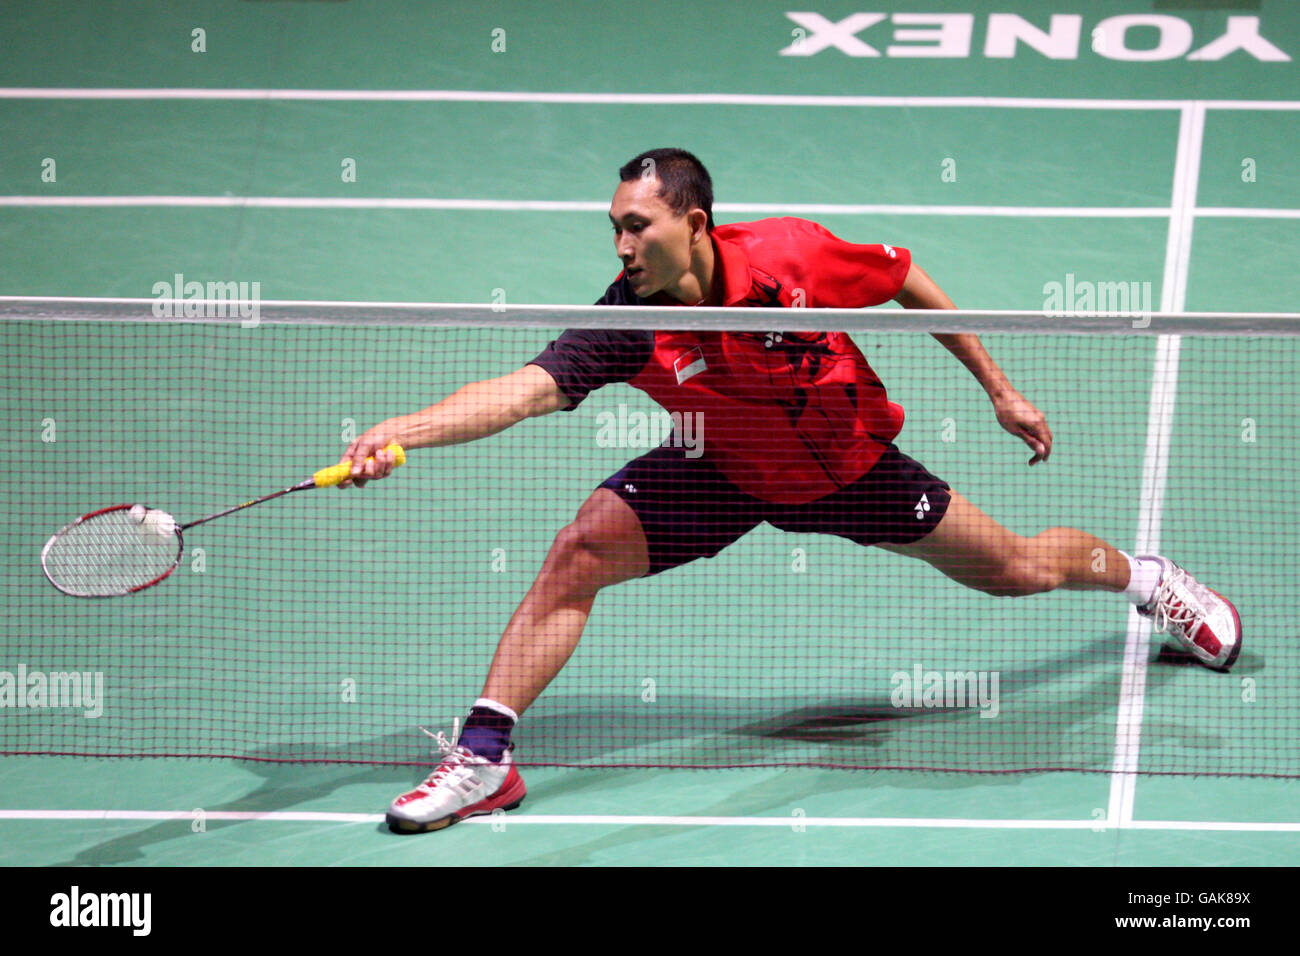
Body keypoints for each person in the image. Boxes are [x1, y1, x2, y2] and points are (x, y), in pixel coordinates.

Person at [343, 148, 1241, 834]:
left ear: (695, 223)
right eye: (613, 227)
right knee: (580, 549)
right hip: (720, 465)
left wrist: (997, 387)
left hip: (847, 467)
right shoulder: (629, 321)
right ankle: (486, 759)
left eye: (637, 228)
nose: (621, 247)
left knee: (1014, 569)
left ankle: (1149, 578)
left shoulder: (792, 254)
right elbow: (518, 392)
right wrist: (398, 432)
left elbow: (904, 278)